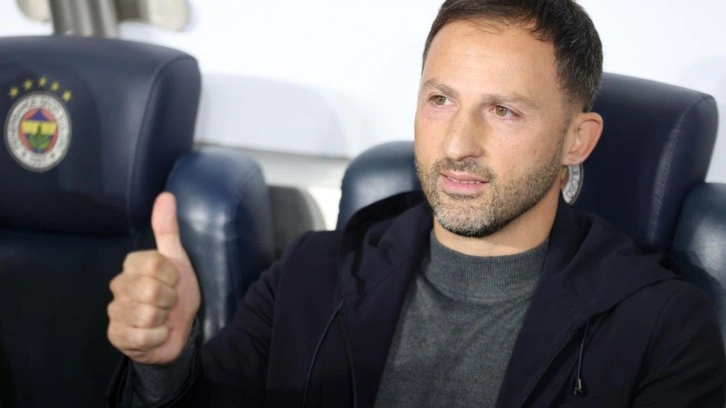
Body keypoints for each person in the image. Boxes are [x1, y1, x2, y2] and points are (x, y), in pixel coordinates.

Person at [106, 0, 726, 406]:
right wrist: (164, 365)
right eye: (440, 100)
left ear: (577, 140)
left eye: (503, 110)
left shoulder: (661, 326)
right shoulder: (310, 274)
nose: (457, 144)